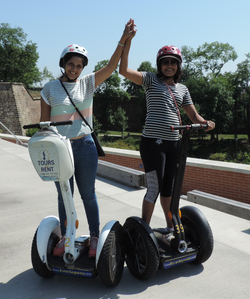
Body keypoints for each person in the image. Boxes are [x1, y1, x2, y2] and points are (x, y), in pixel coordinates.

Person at [40, 19, 136, 258]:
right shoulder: (49, 89)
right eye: (71, 64)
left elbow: (112, 66)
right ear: (63, 64)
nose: (75, 68)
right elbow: (44, 126)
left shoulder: (87, 84)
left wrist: (124, 40)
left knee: (88, 194)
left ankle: (94, 236)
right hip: (60, 147)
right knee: (64, 194)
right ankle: (66, 235)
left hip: (84, 145)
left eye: (79, 65)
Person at [119, 20, 215, 243]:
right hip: (153, 142)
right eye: (165, 62)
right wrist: (127, 41)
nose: (169, 66)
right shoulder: (151, 80)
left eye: (173, 62)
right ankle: (144, 230)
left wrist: (206, 123)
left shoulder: (182, 89)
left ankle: (171, 225)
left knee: (170, 188)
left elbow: (194, 116)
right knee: (154, 187)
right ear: (159, 65)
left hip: (175, 144)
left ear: (178, 66)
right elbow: (123, 70)